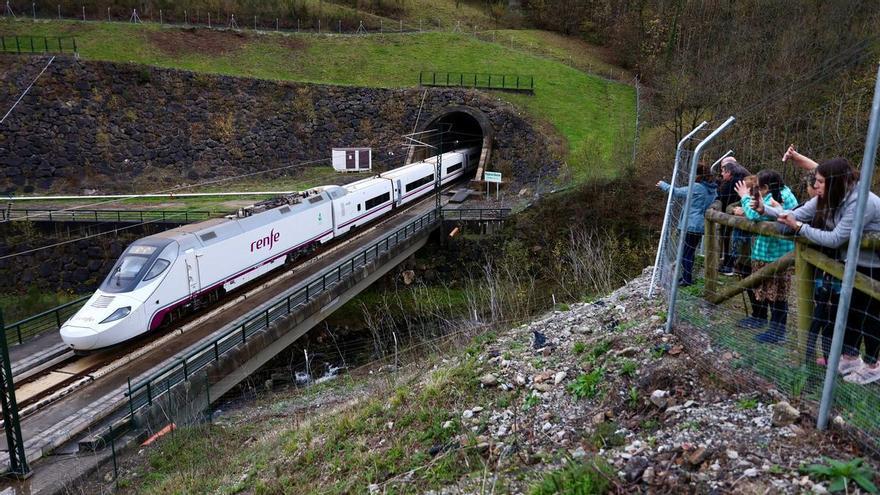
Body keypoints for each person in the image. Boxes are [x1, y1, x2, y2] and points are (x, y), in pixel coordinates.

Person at [764, 146, 880, 382]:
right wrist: (763, 208)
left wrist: (799, 229)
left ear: (834, 182)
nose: (815, 186)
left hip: (874, 264)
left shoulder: (861, 203)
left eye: (819, 182)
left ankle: (873, 365)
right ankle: (850, 358)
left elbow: (836, 238)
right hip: (851, 262)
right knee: (852, 313)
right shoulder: (832, 195)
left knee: (871, 316)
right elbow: (795, 213)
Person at [734, 169, 798, 343]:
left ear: (766, 187)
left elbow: (754, 214)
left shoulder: (780, 197)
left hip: (776, 255)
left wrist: (744, 197)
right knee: (770, 292)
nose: (756, 191)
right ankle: (771, 327)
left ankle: (777, 332)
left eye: (758, 188)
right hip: (769, 252)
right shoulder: (780, 194)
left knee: (777, 295)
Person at [657, 163, 718, 287]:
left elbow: (676, 191)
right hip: (700, 224)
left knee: (686, 253)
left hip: (691, 224)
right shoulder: (712, 189)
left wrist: (663, 185)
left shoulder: (697, 187)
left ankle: (687, 279)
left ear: (698, 174)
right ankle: (686, 277)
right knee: (689, 252)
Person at [717, 158, 751, 275]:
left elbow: (724, 197)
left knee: (732, 240)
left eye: (723, 170)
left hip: (735, 216)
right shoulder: (743, 176)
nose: (721, 173)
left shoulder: (733, 182)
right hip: (735, 214)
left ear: (729, 171)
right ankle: (732, 264)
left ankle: (730, 265)